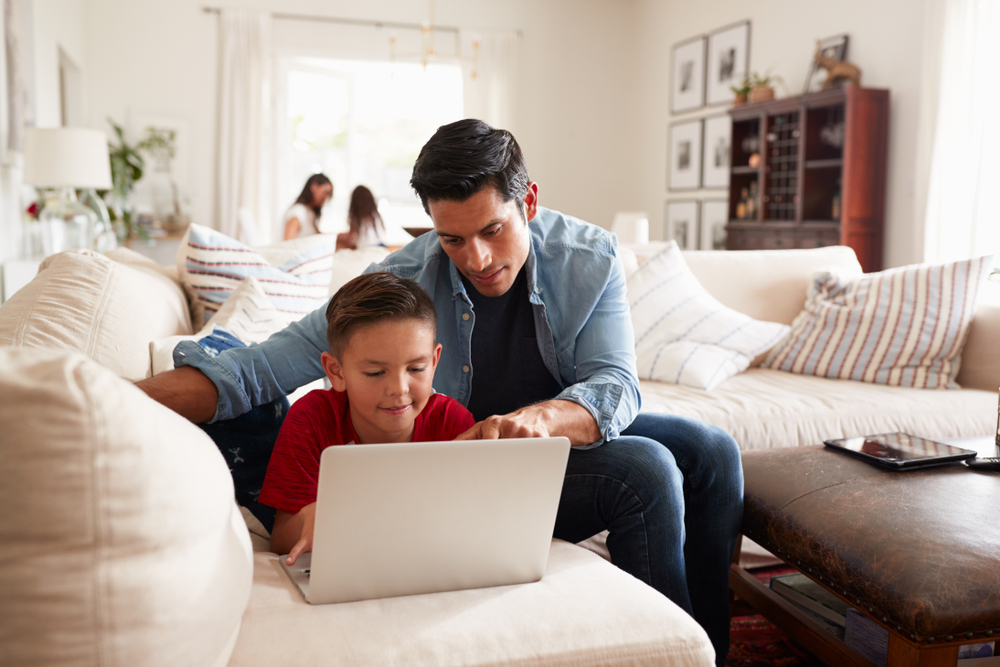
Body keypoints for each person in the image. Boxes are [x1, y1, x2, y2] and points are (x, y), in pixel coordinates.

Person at [137, 119, 742, 667]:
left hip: (548, 436)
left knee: (713, 451)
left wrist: (544, 417)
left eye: (492, 230)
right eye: (452, 239)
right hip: (464, 456)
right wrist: (108, 399)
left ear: (528, 201)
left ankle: (706, 643)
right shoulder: (403, 280)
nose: (475, 258)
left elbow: (616, 385)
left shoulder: (589, 257)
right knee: (646, 468)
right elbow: (258, 371)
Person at [259, 272, 474, 565]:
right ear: (336, 372)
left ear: (434, 361)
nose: (399, 388)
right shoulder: (312, 419)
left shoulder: (454, 423)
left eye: (416, 368)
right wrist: (308, 520)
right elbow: (280, 538)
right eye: (375, 372)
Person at [283, 173, 333, 240]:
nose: (326, 197)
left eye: (329, 194)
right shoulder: (297, 212)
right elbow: (287, 243)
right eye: (325, 192)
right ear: (314, 187)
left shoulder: (310, 212)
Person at [336, 185, 386, 250]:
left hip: (366, 248)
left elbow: (352, 239)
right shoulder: (375, 215)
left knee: (338, 243)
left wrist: (340, 237)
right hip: (382, 245)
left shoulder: (357, 218)